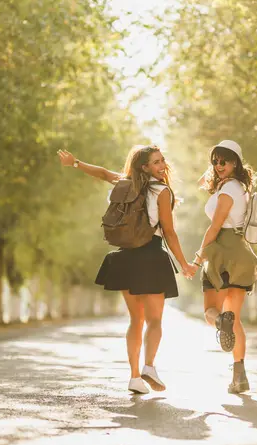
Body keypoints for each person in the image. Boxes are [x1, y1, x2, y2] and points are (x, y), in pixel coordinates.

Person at [57, 145, 196, 394]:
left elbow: (101, 173)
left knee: (135, 320)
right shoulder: (162, 191)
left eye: (162, 160)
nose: (162, 165)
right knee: (154, 321)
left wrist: (75, 163)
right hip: (151, 257)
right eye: (156, 162)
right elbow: (169, 232)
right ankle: (149, 367)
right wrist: (184, 264)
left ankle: (134, 377)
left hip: (126, 257)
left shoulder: (125, 182)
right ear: (145, 167)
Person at [191, 140, 257, 394]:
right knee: (236, 321)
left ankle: (221, 320)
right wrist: (214, 172)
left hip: (222, 253)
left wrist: (198, 259)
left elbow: (215, 227)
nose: (219, 165)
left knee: (212, 311)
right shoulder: (240, 187)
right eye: (216, 161)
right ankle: (240, 377)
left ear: (236, 163)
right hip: (242, 255)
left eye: (225, 161)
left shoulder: (227, 192)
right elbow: (203, 181)